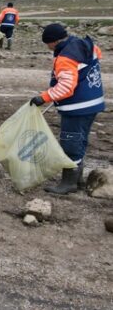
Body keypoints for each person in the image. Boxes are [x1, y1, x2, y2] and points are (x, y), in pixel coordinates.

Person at [30, 23, 105, 194]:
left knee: (70, 142)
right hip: (92, 103)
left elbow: (66, 87)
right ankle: (77, 179)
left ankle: (68, 183)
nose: (48, 48)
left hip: (77, 107)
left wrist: (43, 97)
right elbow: (97, 54)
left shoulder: (66, 57)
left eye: (47, 44)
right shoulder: (82, 45)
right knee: (80, 140)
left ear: (53, 42)